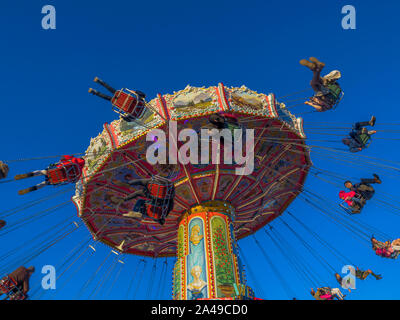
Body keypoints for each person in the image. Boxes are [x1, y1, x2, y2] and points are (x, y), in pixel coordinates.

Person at [15, 155, 85, 195]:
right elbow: (74, 180)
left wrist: (61, 161)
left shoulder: (74, 159)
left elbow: (63, 157)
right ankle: (30, 189)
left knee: (41, 172)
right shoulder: (81, 172)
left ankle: (28, 175)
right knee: (44, 184)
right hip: (60, 179)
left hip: (57, 170)